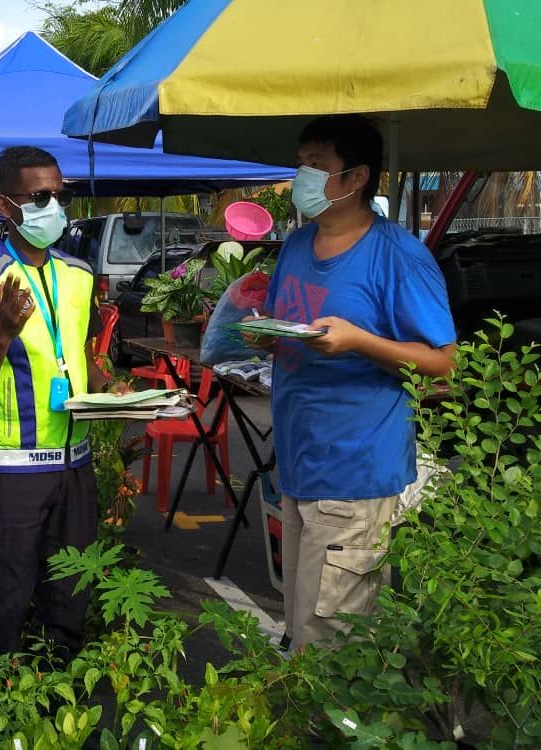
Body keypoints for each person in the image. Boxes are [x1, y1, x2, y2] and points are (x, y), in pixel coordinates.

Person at [245, 115, 456, 651]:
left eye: (317, 166)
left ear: (356, 177)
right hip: (298, 467)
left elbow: (444, 365)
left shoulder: (399, 257)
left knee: (331, 650)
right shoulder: (297, 245)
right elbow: (283, 322)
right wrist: (265, 335)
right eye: (300, 164)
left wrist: (360, 341)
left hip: (355, 476)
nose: (302, 177)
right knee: (301, 626)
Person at [0, 146, 127, 672]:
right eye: (39, 197)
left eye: (58, 195)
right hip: (11, 472)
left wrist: (116, 391)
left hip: (75, 466)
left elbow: (83, 361)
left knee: (70, 606)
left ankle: (59, 721)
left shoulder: (79, 273)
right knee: (4, 606)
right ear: (6, 206)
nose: (53, 206)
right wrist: (1, 332)